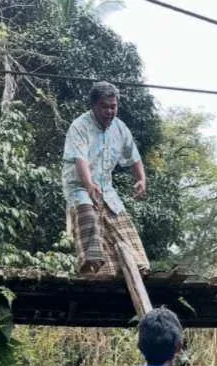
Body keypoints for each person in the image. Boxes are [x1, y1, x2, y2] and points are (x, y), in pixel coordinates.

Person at [63, 81, 149, 278]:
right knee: (89, 215)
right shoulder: (79, 126)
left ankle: (136, 266)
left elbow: (134, 157)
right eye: (105, 106)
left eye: (113, 106)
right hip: (79, 186)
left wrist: (141, 180)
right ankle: (92, 267)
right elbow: (80, 158)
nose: (109, 111)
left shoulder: (120, 128)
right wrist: (88, 185)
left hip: (106, 188)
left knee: (121, 224)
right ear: (94, 106)